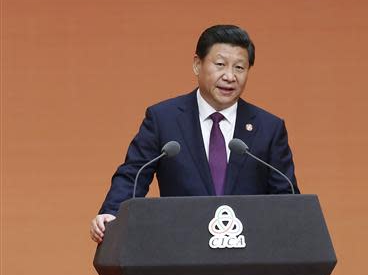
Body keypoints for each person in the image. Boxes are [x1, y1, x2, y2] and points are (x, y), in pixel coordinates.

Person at [90, 24, 300, 243]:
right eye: (220, 65)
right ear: (197, 65)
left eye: (239, 68)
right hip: (181, 248)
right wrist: (112, 213)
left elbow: (286, 196)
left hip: (250, 251)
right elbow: (133, 174)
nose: (230, 76)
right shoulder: (164, 119)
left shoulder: (269, 127)